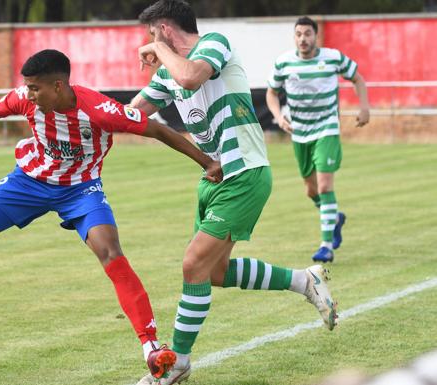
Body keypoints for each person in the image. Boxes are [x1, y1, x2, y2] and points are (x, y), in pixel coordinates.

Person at [0, 49, 224, 380]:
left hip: (81, 190)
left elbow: (157, 130)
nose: (28, 95)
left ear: (58, 86)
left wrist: (207, 162)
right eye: (26, 87)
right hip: (28, 181)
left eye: (34, 88)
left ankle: (152, 347)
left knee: (111, 253)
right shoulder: (26, 100)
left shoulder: (100, 110)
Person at [129, 1, 338, 384]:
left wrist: (158, 50)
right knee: (214, 273)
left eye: (151, 36)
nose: (148, 45)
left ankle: (176, 363)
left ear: (163, 29)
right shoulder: (168, 73)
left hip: (245, 172)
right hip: (213, 179)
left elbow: (192, 77)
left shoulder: (215, 43)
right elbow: (132, 111)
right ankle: (304, 281)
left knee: (193, 264)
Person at [266, 16, 370, 262]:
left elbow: (357, 78)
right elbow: (271, 92)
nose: (303, 39)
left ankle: (326, 246)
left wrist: (364, 107)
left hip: (327, 129)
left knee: (324, 186)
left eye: (308, 34)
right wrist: (278, 117)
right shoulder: (284, 63)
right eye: (299, 34)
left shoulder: (332, 57)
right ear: (295, 37)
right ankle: (334, 217)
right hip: (300, 133)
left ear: (316, 36)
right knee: (311, 190)